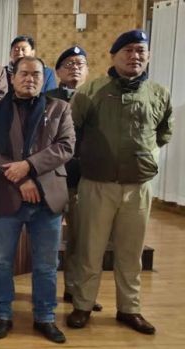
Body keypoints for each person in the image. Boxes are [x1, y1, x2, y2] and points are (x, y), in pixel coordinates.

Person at [67, 30, 173, 335]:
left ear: (148, 56)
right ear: (113, 56)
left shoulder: (158, 93)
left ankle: (130, 308)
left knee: (131, 252)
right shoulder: (90, 92)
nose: (134, 56)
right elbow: (73, 134)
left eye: (140, 50)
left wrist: (143, 158)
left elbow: (164, 132)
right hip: (96, 184)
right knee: (90, 249)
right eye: (127, 50)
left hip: (138, 187)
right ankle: (83, 305)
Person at [0, 56, 74, 344]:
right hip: (8, 195)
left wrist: (30, 167)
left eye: (36, 74)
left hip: (48, 198)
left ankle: (45, 317)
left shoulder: (60, 108)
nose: (30, 79)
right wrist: (21, 179)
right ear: (12, 76)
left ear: (43, 78)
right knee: (1, 261)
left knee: (46, 265)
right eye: (24, 74)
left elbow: (66, 146)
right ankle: (2, 315)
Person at [46, 46, 103, 312]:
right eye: (68, 64)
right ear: (57, 71)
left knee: (83, 240)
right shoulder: (46, 98)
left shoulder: (98, 97)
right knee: (49, 239)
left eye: (80, 63)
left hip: (88, 178)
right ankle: (45, 295)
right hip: (53, 179)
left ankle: (78, 292)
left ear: (88, 70)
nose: (75, 68)